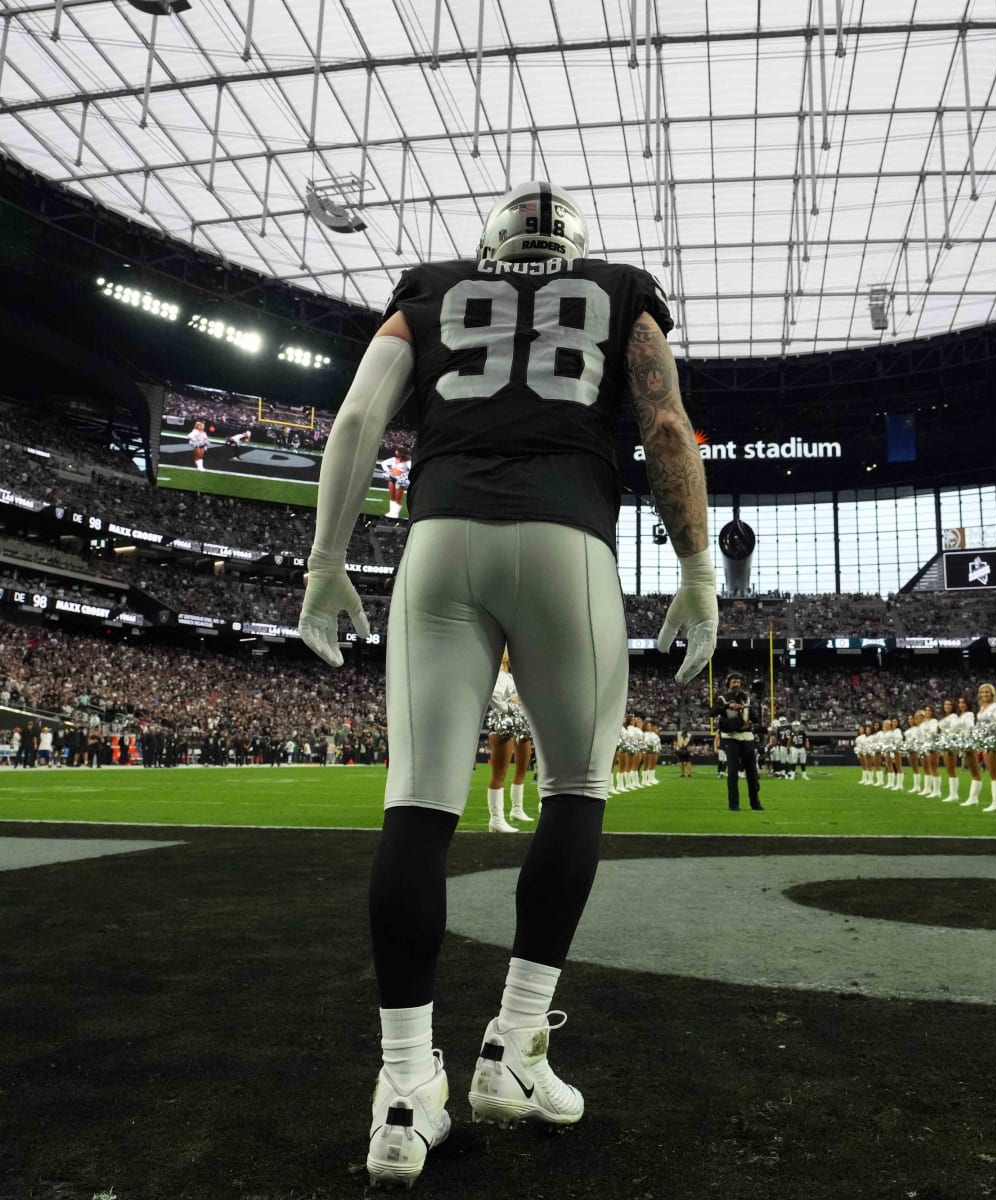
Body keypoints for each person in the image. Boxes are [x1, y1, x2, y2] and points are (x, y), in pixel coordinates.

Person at [297, 180, 717, 1186]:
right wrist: (698, 570)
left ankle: (403, 1094)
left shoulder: (432, 290)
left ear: (492, 244)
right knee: (577, 788)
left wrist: (324, 561)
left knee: (418, 805)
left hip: (438, 540)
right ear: (574, 245)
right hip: (566, 543)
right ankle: (513, 1048)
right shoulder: (619, 292)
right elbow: (666, 430)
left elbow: (357, 420)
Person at [484, 649, 533, 832]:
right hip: (502, 724)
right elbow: (495, 699)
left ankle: (516, 809)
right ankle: (496, 819)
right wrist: (512, 707)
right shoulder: (497, 675)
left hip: (516, 724)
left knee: (520, 769)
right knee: (499, 774)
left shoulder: (510, 677)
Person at [709, 671, 762, 811]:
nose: (736, 684)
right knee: (732, 772)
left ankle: (755, 802)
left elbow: (755, 718)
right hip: (731, 737)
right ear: (728, 684)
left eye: (738, 682)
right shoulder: (723, 698)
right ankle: (733, 804)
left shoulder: (747, 698)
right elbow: (711, 712)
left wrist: (755, 710)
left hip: (746, 736)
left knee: (752, 771)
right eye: (734, 682)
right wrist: (728, 706)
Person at [974, 683, 996, 812]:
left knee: (995, 772)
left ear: (992, 694)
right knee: (991, 771)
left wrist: (991, 733)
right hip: (985, 741)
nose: (984, 694)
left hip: (992, 741)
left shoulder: (995, 706)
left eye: (987, 692)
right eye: (982, 692)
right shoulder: (983, 707)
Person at [955, 696, 982, 807]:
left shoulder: (969, 714)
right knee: (972, 771)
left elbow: (970, 727)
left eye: (964, 702)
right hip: (964, 743)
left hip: (968, 743)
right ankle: (972, 798)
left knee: (975, 771)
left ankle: (973, 798)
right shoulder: (961, 715)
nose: (961, 704)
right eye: (960, 702)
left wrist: (961, 732)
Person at [379, 449, 412, 520]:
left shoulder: (407, 461)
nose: (395, 452)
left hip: (399, 480)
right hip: (391, 478)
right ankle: (391, 512)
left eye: (397, 452)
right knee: (392, 496)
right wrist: (388, 471)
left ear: (402, 453)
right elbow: (383, 463)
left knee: (398, 498)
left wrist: (405, 476)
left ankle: (396, 514)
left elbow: (411, 469)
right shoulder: (393, 459)